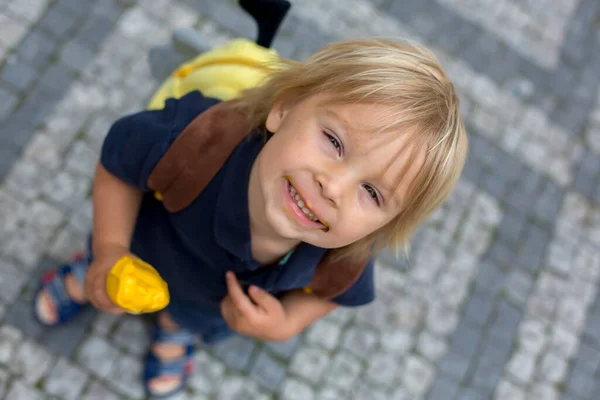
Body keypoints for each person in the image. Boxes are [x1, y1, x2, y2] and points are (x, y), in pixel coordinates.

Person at [33, 37, 468, 398]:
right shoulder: (198, 139)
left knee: (184, 316)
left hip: (206, 307)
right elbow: (118, 167)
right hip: (139, 247)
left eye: (371, 192)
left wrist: (284, 324)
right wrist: (110, 249)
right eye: (334, 141)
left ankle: (175, 330)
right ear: (285, 107)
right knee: (102, 273)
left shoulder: (343, 253)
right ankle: (88, 274)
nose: (332, 188)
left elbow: (333, 295)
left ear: (384, 226)